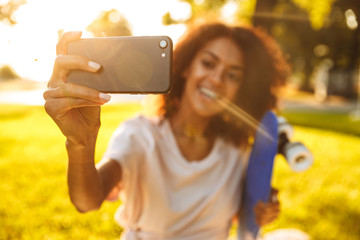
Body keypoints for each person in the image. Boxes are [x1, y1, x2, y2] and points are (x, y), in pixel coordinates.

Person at [44, 22, 289, 240]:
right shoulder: (139, 135)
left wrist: (261, 209)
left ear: (241, 88)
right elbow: (87, 200)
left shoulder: (236, 149)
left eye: (233, 75)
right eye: (208, 63)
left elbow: (235, 215)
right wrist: (80, 144)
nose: (216, 79)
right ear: (186, 67)